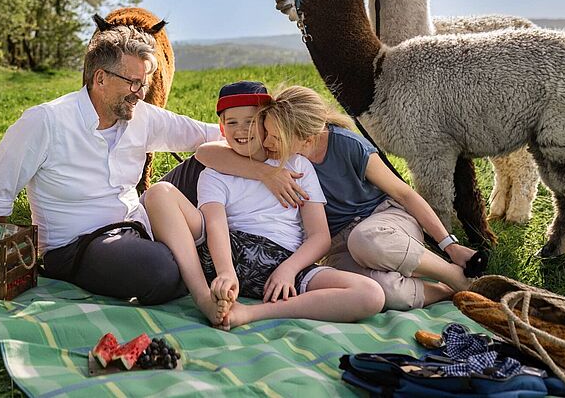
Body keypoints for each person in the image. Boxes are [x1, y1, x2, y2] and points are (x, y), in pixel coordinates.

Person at [0, 25, 221, 305]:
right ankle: (201, 259)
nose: (140, 93)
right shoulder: (45, 121)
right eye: (132, 82)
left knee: (207, 160)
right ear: (100, 78)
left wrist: (267, 166)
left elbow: (209, 134)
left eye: (143, 84)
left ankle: (221, 250)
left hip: (137, 222)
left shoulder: (141, 116)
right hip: (77, 246)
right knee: (162, 271)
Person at [197, 85, 478, 311]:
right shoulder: (282, 157)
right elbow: (205, 153)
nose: (267, 142)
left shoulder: (347, 146)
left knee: (366, 240)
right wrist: (262, 172)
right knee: (386, 294)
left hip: (382, 221)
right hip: (337, 242)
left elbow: (403, 193)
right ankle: (444, 291)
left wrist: (450, 245)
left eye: (273, 136)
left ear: (305, 138)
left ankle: (451, 273)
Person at [143, 81, 385, 328]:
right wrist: (226, 271)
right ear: (222, 129)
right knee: (159, 192)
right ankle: (204, 297)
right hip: (224, 253)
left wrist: (289, 269)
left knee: (370, 294)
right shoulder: (215, 173)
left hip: (285, 261)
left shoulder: (297, 165)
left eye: (250, 121)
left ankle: (250, 313)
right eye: (232, 122)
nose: (241, 130)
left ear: (266, 123)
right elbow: (215, 223)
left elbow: (319, 236)